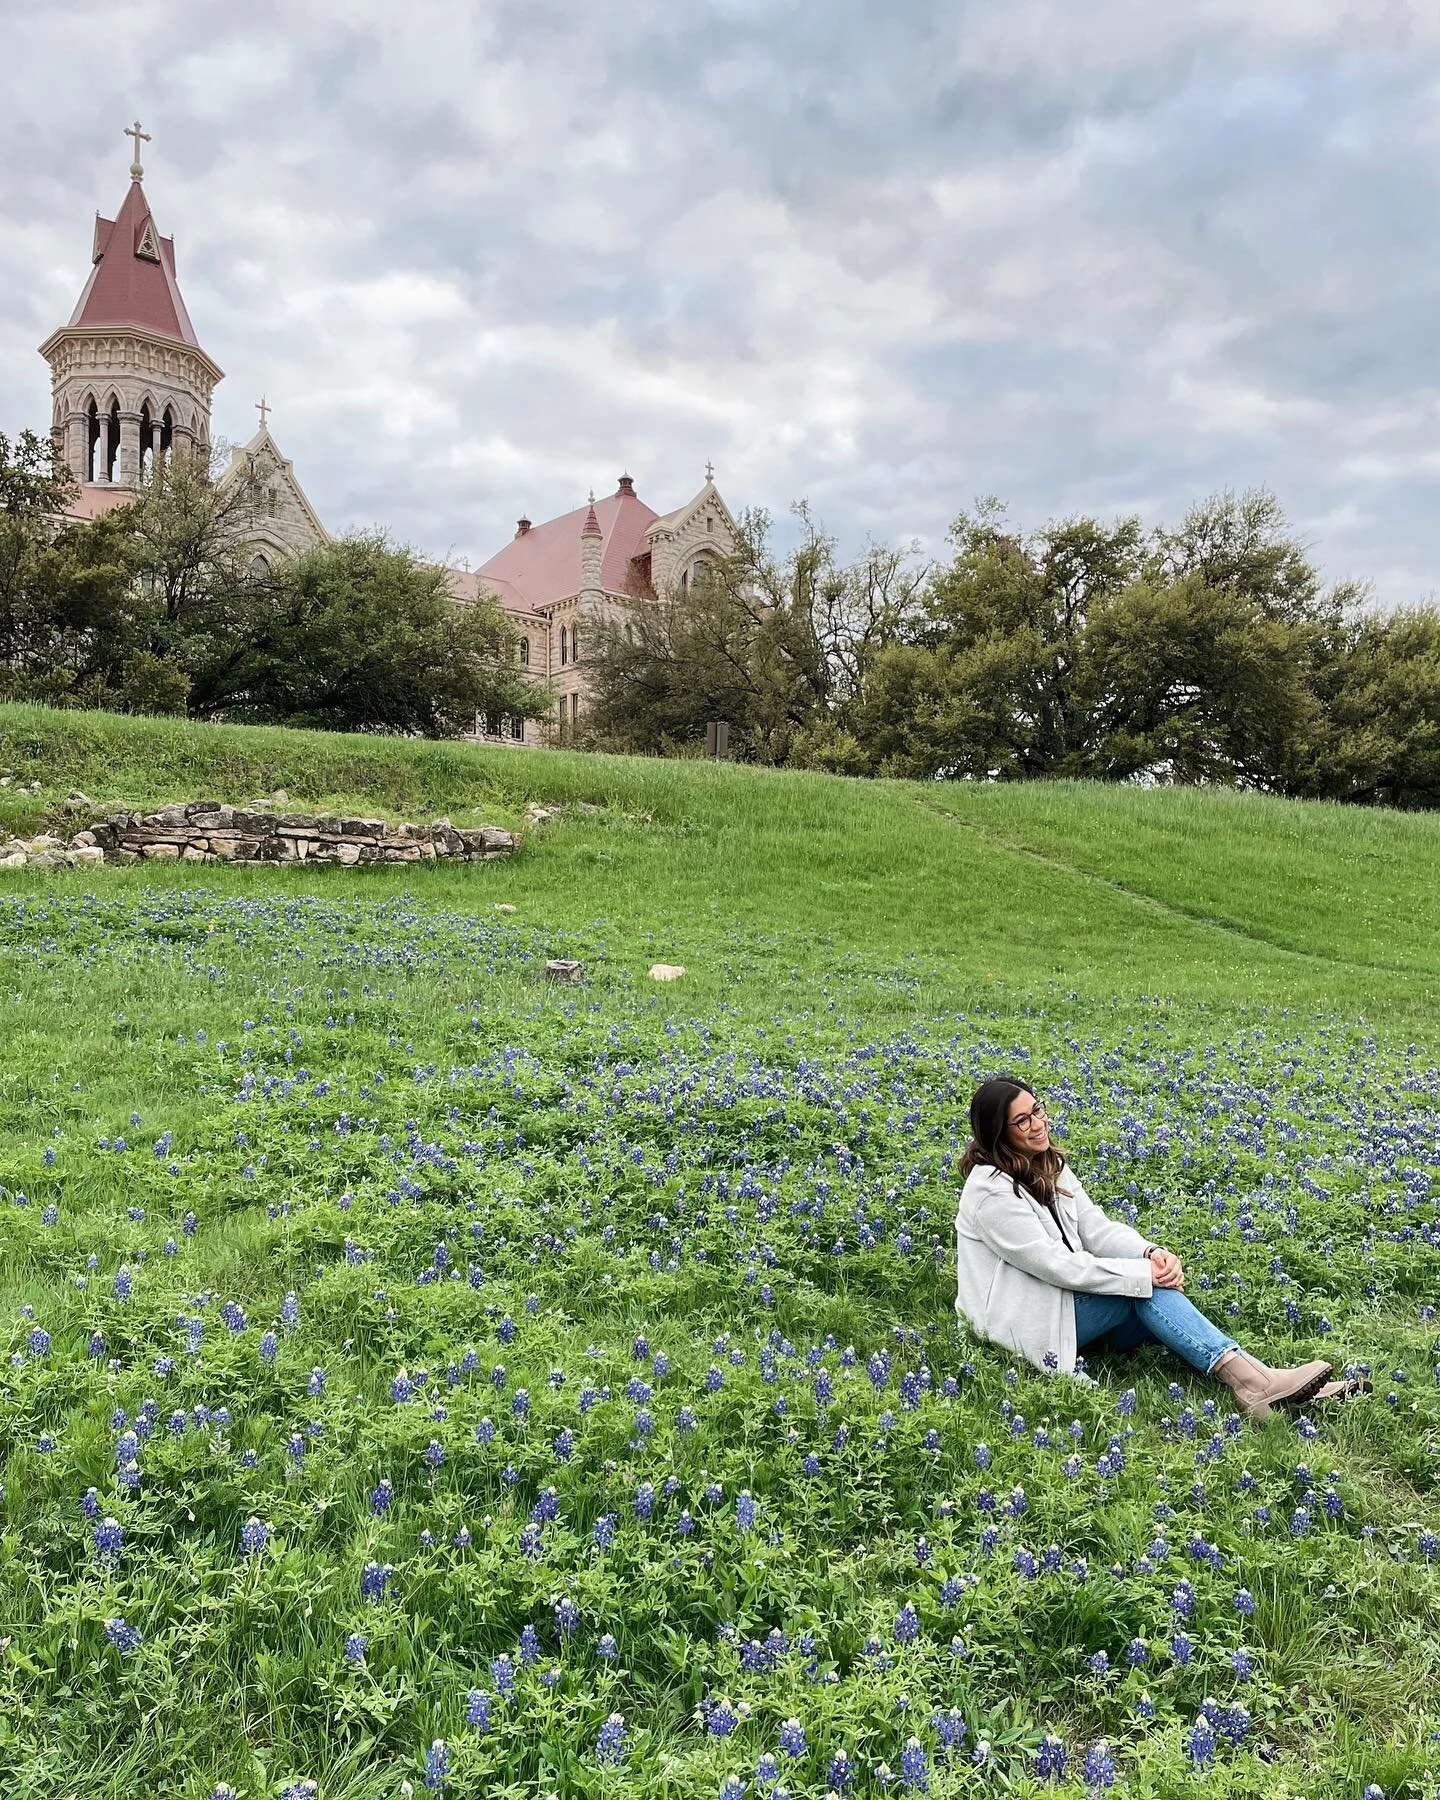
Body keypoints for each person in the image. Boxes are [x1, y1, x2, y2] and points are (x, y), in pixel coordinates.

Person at [954, 1075, 1332, 1419]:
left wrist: (1148, 1254)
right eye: (1022, 1121)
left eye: (1037, 1110)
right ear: (996, 1134)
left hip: (1064, 1302)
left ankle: (1275, 1386)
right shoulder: (990, 1191)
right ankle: (1255, 1383)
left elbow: (1096, 1228)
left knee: (1154, 1291)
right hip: (1025, 1319)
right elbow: (1053, 1264)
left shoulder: (1046, 1163)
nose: (1038, 1124)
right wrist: (1139, 1276)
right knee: (1144, 1290)